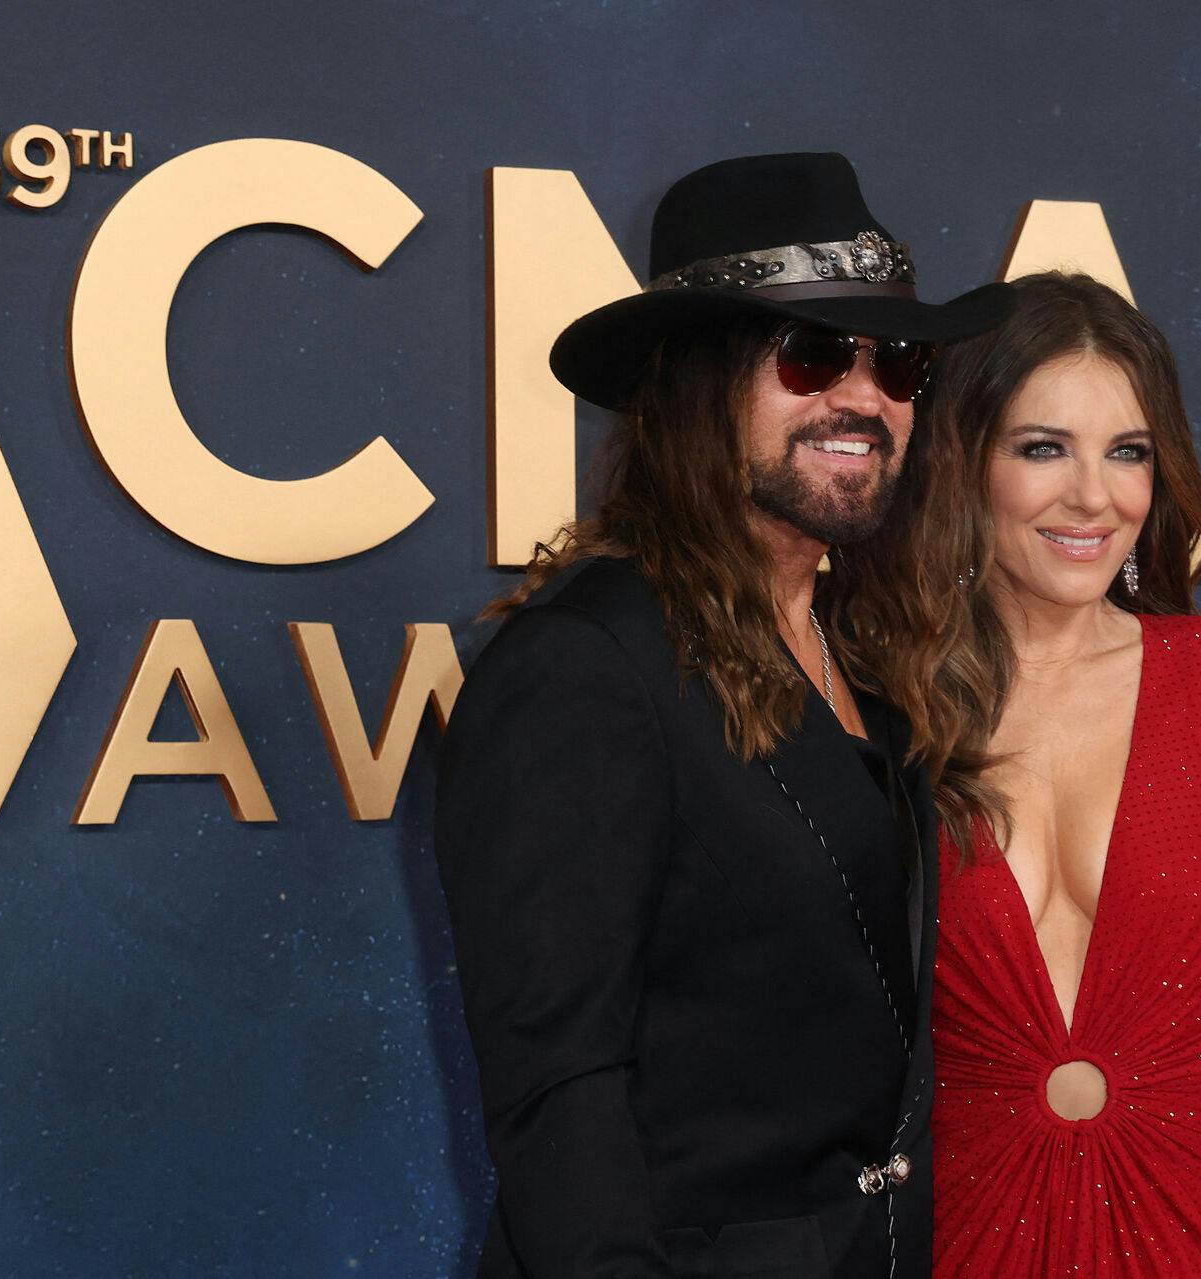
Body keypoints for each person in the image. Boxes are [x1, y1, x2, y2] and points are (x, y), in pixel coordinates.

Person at [433, 152, 1012, 1277]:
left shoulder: (866, 655)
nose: (864, 396)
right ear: (692, 381)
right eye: (809, 354)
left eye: (895, 361)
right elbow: (561, 1101)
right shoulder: (584, 667)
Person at [920, 271, 1201, 1276]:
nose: (1095, 496)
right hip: (963, 1241)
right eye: (1044, 448)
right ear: (961, 460)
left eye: (1129, 452)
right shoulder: (878, 695)